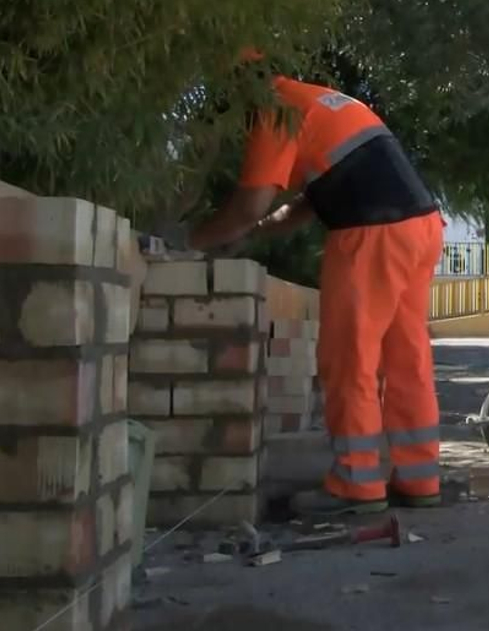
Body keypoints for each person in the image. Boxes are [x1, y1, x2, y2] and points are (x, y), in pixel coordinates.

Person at [189, 50, 445, 515]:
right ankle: (419, 478)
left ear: (239, 90)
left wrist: (192, 244)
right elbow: (309, 201)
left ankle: (356, 484)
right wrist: (256, 233)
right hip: (420, 226)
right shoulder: (320, 101)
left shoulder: (274, 111)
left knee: (349, 359)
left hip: (370, 233)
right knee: (406, 357)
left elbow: (247, 205)